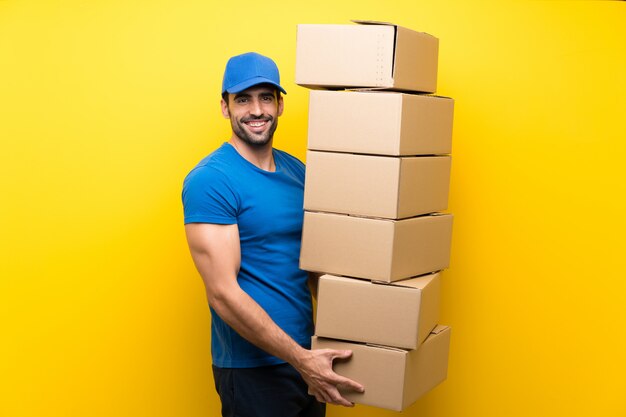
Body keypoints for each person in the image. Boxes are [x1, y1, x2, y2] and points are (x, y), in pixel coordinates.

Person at [182, 52, 364, 417]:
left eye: (266, 97)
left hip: (310, 357)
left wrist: (344, 337)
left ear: (280, 105)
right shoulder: (212, 180)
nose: (256, 110)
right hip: (253, 370)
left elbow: (315, 265)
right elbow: (222, 293)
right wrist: (300, 358)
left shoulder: (298, 172)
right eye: (243, 99)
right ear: (224, 107)